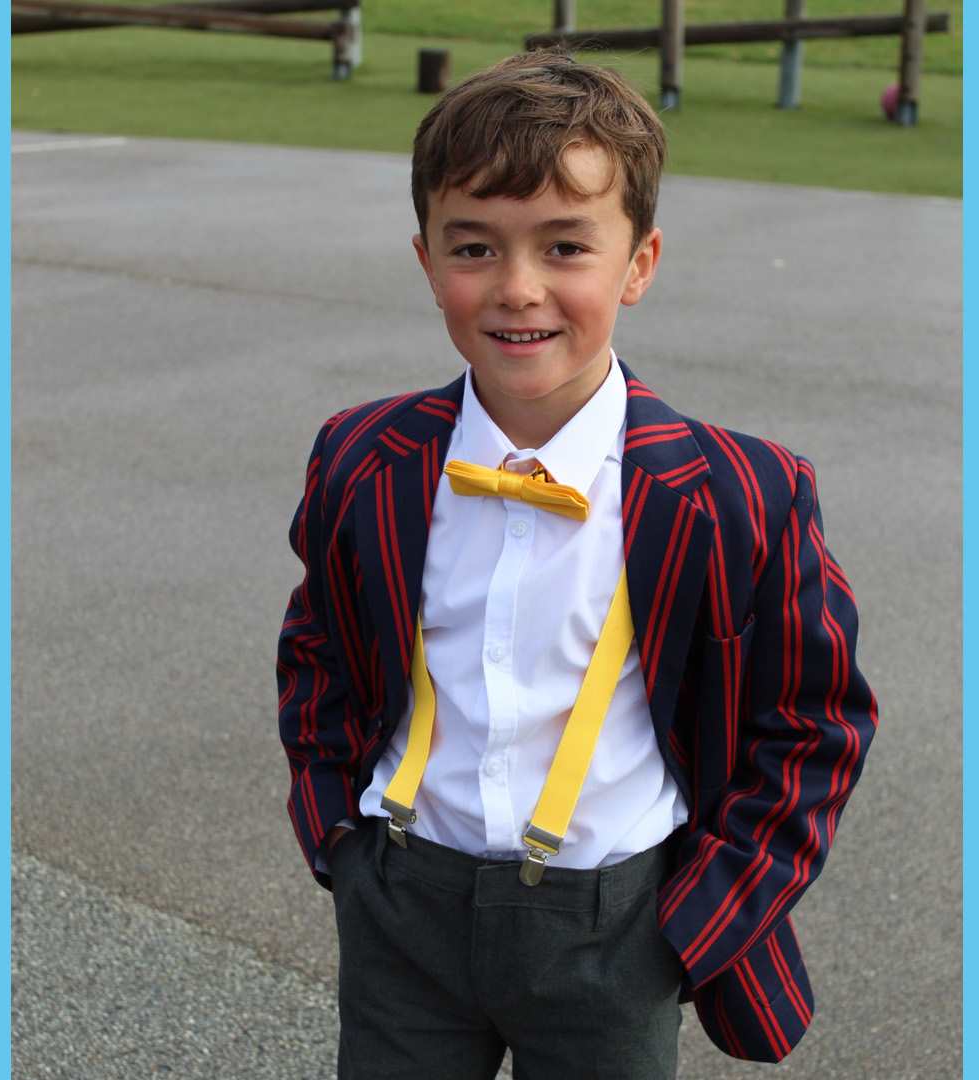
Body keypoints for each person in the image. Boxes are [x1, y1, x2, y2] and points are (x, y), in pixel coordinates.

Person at [275, 49, 878, 1078]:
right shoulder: (365, 457)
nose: (517, 290)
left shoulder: (741, 492)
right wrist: (339, 835)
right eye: (474, 248)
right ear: (426, 261)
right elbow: (319, 650)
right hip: (403, 907)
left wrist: (694, 923)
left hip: (619, 925)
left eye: (565, 248)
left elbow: (816, 725)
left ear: (638, 262)